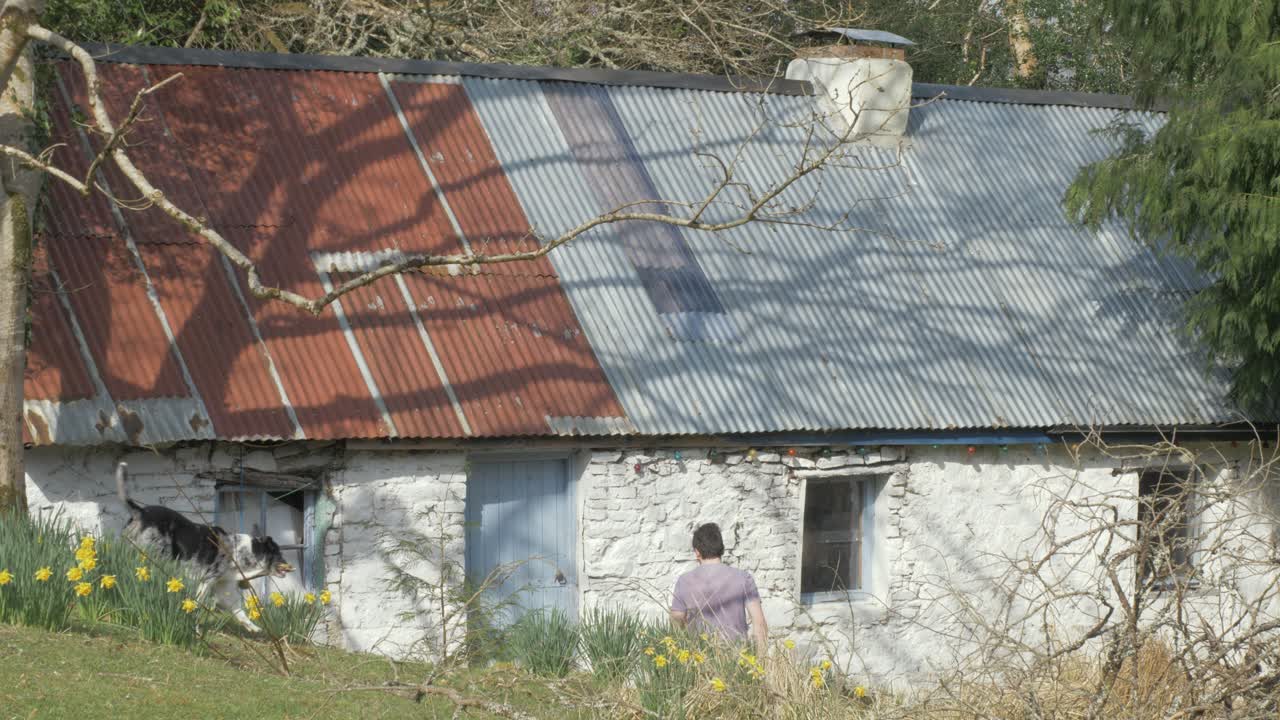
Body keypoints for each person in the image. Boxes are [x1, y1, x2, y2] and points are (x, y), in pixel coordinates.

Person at [669, 522, 768, 656]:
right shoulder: (744, 578)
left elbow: (677, 618)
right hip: (738, 661)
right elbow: (759, 623)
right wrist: (761, 663)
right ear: (721, 547)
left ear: (697, 552)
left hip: (699, 661)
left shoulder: (684, 581)